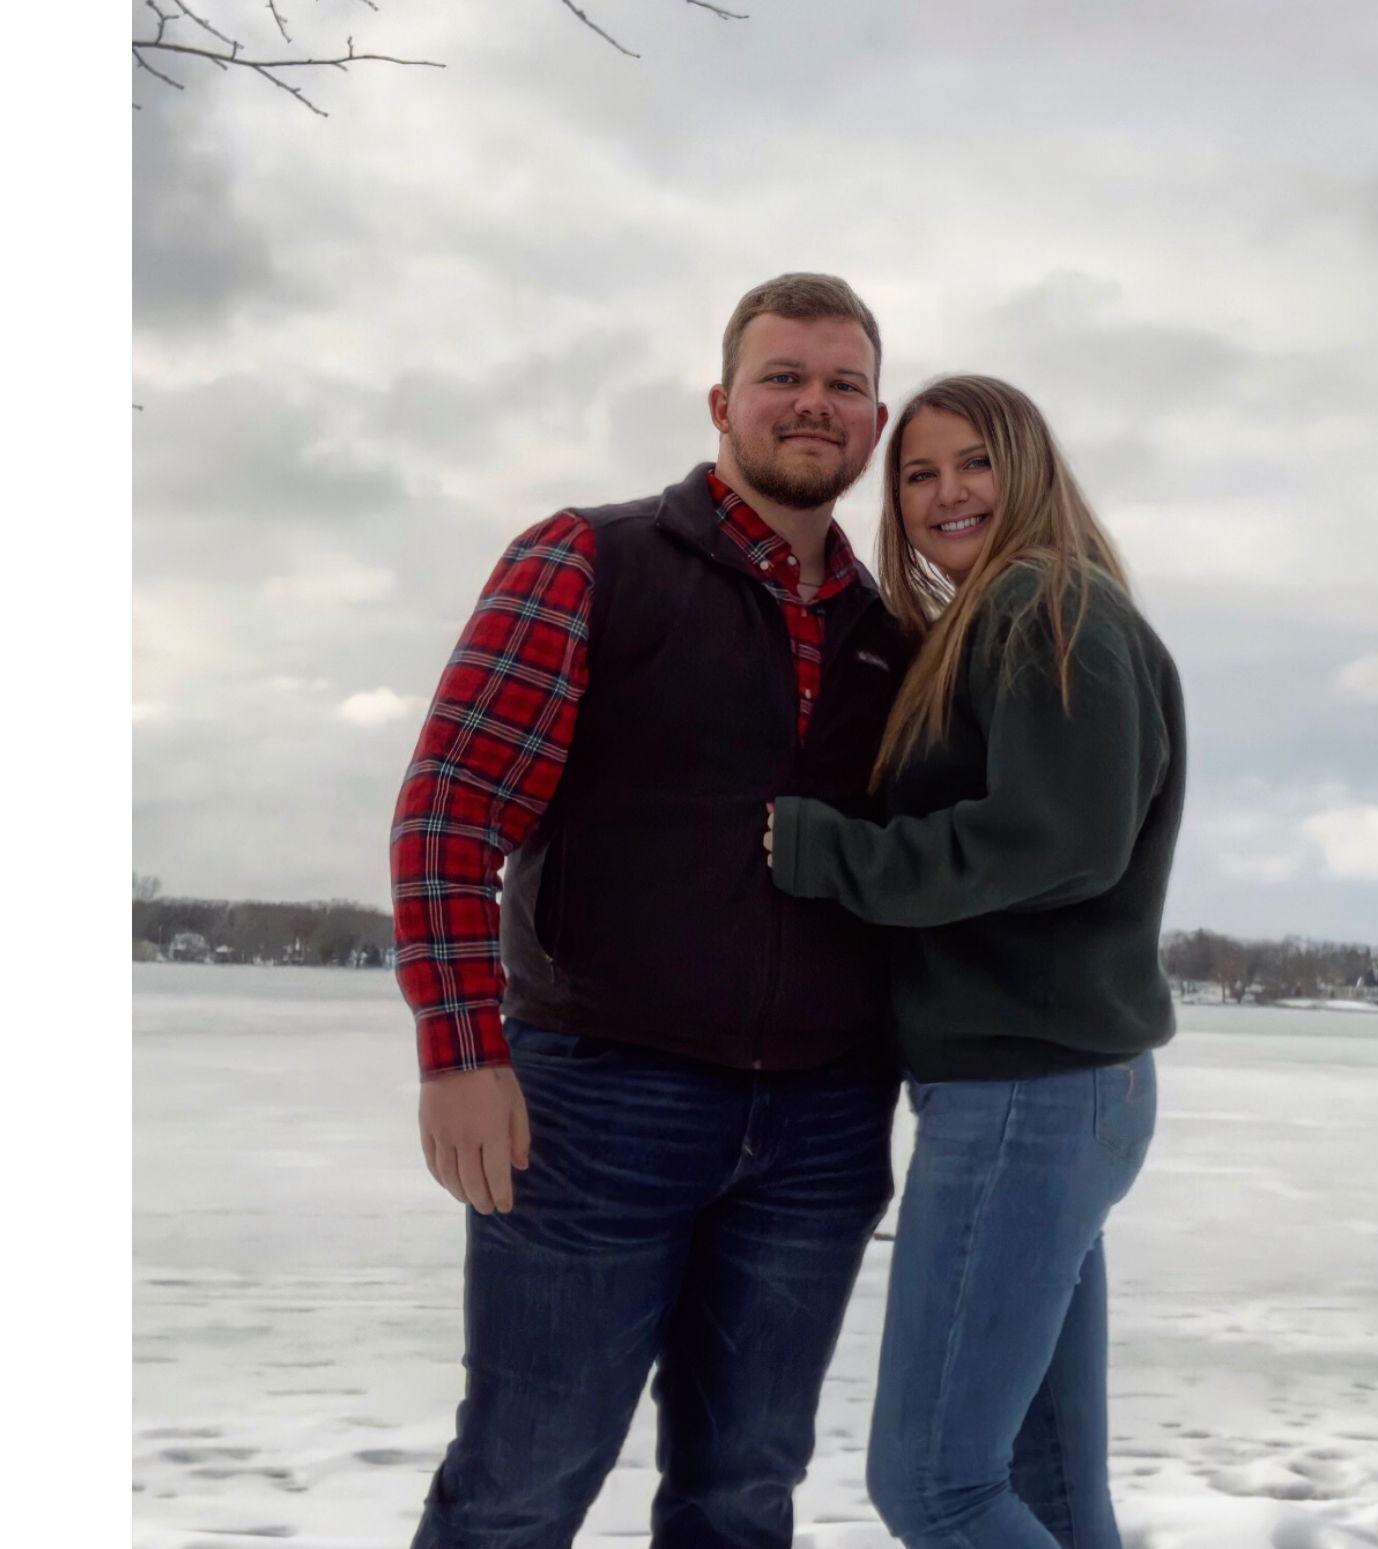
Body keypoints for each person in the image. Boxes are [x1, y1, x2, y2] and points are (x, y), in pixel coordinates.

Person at [389, 273, 912, 1549]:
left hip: (821, 1123)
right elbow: (451, 811)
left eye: (843, 383)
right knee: (519, 1481)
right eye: (784, 376)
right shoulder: (591, 560)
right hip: (599, 1104)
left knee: (742, 1493)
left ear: (876, 419)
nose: (813, 403)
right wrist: (462, 1052)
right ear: (723, 401)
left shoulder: (894, 636)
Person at [765, 374, 1186, 1549]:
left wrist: (828, 851)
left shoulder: (1046, 605)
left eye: (974, 462)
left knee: (938, 1484)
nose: (946, 492)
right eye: (917, 473)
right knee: (1044, 1486)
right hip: (1049, 1088)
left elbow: (1055, 841)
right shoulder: (1010, 617)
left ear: (1030, 470)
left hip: (1028, 1093)